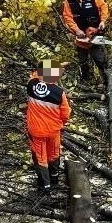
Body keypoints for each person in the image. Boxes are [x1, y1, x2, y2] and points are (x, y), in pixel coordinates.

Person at [25, 60, 72, 192]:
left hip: (36, 130)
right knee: (54, 153)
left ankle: (44, 185)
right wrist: (61, 123)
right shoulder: (59, 92)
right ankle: (54, 178)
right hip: (53, 130)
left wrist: (42, 70)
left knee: (40, 157)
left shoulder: (31, 85)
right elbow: (65, 113)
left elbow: (34, 75)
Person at [59, 0, 112, 86]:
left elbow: (104, 7)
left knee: (100, 59)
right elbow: (67, 17)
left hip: (95, 33)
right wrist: (76, 30)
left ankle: (108, 83)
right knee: (83, 61)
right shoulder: (68, 1)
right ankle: (87, 82)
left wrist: (102, 21)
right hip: (81, 36)